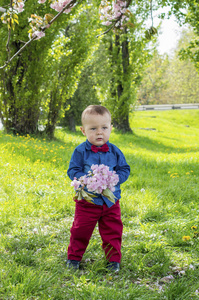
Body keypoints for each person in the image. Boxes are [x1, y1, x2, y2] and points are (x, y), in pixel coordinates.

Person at [67, 105, 130, 272]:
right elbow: (72, 170)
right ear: (83, 130)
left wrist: (116, 179)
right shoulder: (80, 151)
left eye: (104, 127)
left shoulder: (115, 151)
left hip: (110, 202)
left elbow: (124, 169)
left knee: (113, 230)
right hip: (87, 201)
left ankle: (113, 261)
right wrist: (84, 179)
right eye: (93, 128)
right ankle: (74, 258)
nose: (99, 132)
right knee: (80, 230)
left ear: (110, 128)